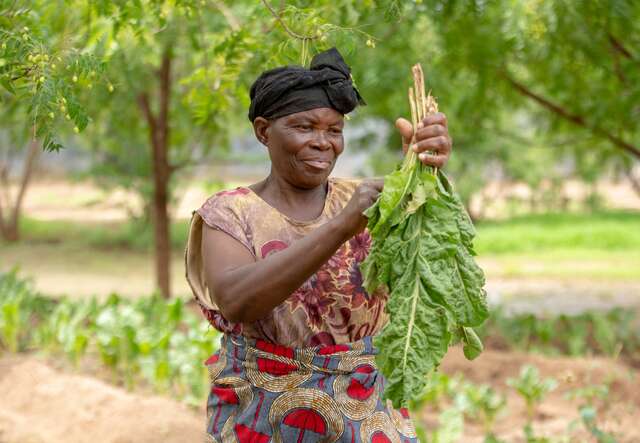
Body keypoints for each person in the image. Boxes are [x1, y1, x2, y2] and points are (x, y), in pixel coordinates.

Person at [185, 47, 452, 442]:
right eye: (304, 127)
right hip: (265, 418)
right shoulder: (229, 214)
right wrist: (341, 227)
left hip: (367, 413)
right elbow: (237, 301)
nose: (322, 142)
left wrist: (424, 175)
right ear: (263, 131)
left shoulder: (367, 200)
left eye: (334, 130)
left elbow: (430, 259)